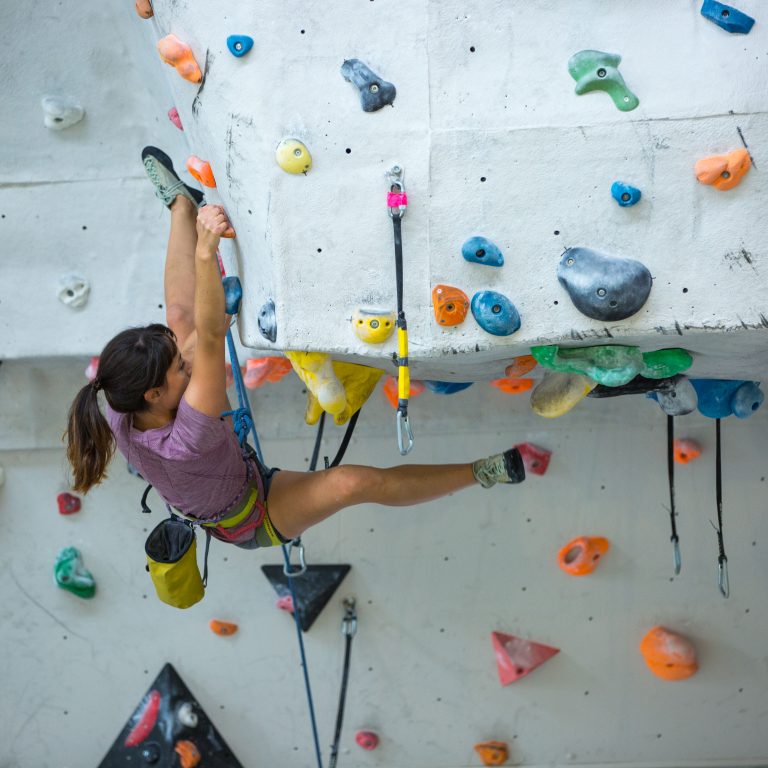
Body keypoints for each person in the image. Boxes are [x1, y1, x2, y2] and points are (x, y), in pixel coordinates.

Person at [65, 147, 525, 550]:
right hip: (254, 516)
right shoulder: (189, 436)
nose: (184, 365)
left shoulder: (119, 406)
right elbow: (208, 339)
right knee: (352, 483)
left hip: (223, 480)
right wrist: (207, 252)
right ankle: (480, 472)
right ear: (154, 396)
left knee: (181, 325)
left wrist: (186, 326)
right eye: (177, 370)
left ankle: (180, 205)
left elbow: (191, 332)